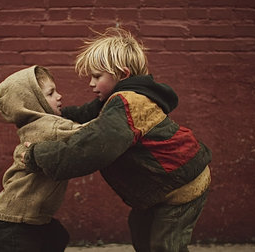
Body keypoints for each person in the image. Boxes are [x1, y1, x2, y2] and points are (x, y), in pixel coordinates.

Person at [23, 28, 212, 252]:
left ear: (122, 74)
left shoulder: (127, 103)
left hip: (181, 187)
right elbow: (88, 113)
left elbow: (92, 149)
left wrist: (38, 154)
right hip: (164, 185)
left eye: (97, 76)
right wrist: (55, 116)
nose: (91, 84)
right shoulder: (121, 98)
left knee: (164, 244)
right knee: (142, 229)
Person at [0, 65, 84, 252]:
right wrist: (117, 114)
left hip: (25, 219)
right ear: (32, 102)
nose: (59, 96)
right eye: (50, 93)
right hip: (17, 225)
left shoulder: (35, 125)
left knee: (58, 237)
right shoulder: (49, 128)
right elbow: (91, 134)